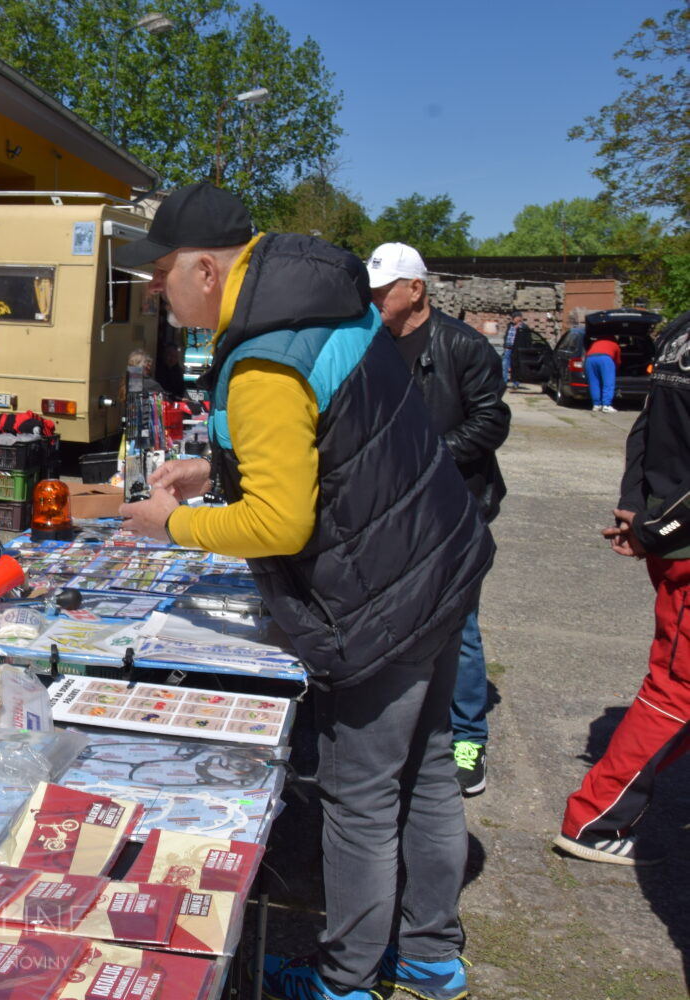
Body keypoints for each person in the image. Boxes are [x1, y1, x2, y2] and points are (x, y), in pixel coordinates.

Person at [117, 182, 492, 1000]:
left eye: (161, 272)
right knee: (429, 771)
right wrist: (213, 467)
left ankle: (346, 981)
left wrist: (170, 524)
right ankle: (431, 958)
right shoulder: (321, 301)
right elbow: (334, 436)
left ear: (207, 271)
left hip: (380, 599)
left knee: (360, 798)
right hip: (437, 561)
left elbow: (279, 522)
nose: (153, 291)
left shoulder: (261, 357)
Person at [366, 242, 510, 797]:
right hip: (388, 508)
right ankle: (405, 727)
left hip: (454, 506)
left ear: (416, 289)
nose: (374, 300)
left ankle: (468, 739)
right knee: (395, 618)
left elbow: (491, 422)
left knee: (459, 624)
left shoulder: (463, 344)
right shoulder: (371, 342)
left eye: (383, 291)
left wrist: (424, 458)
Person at [555, 308, 690, 866]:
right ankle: (595, 819)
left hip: (668, 529)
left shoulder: (680, 328)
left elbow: (647, 427)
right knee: (677, 693)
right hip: (680, 542)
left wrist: (638, 510)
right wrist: (655, 527)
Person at [585, 331, 621, 413]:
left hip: (590, 359)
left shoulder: (596, 342)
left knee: (594, 382)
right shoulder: (614, 344)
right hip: (605, 359)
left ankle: (596, 405)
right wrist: (616, 368)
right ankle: (606, 405)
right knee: (608, 382)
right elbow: (618, 361)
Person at [501, 312, 525, 390]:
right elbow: (506, 336)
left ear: (519, 318)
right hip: (508, 349)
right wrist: (505, 346)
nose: (512, 319)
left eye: (514, 318)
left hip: (516, 350)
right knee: (504, 366)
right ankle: (504, 383)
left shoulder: (523, 327)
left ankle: (515, 383)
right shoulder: (509, 325)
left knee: (515, 366)